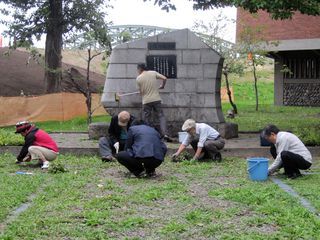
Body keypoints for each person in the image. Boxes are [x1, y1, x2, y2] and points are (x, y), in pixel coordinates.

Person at [136, 63, 171, 141]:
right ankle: (164, 134)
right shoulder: (153, 73)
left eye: (137, 70)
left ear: (140, 69)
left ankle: (149, 135)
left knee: (146, 118)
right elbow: (164, 78)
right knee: (161, 116)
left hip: (146, 101)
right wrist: (162, 86)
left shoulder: (138, 78)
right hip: (156, 99)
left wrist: (142, 92)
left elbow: (141, 93)